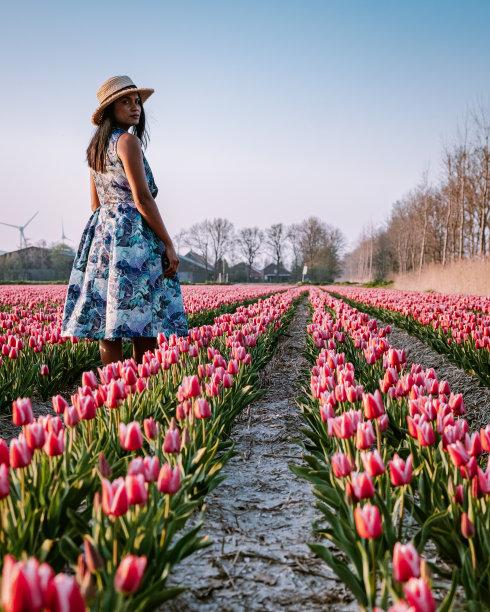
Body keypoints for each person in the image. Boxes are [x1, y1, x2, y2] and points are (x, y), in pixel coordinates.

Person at [61, 75, 188, 365]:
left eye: (137, 102)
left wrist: (109, 226)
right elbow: (143, 198)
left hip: (103, 235)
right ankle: (141, 390)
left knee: (110, 319)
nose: (135, 108)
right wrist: (168, 242)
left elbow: (96, 204)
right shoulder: (128, 141)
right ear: (109, 110)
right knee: (143, 319)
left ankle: (112, 391)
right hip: (133, 237)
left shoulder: (95, 149)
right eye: (125, 102)